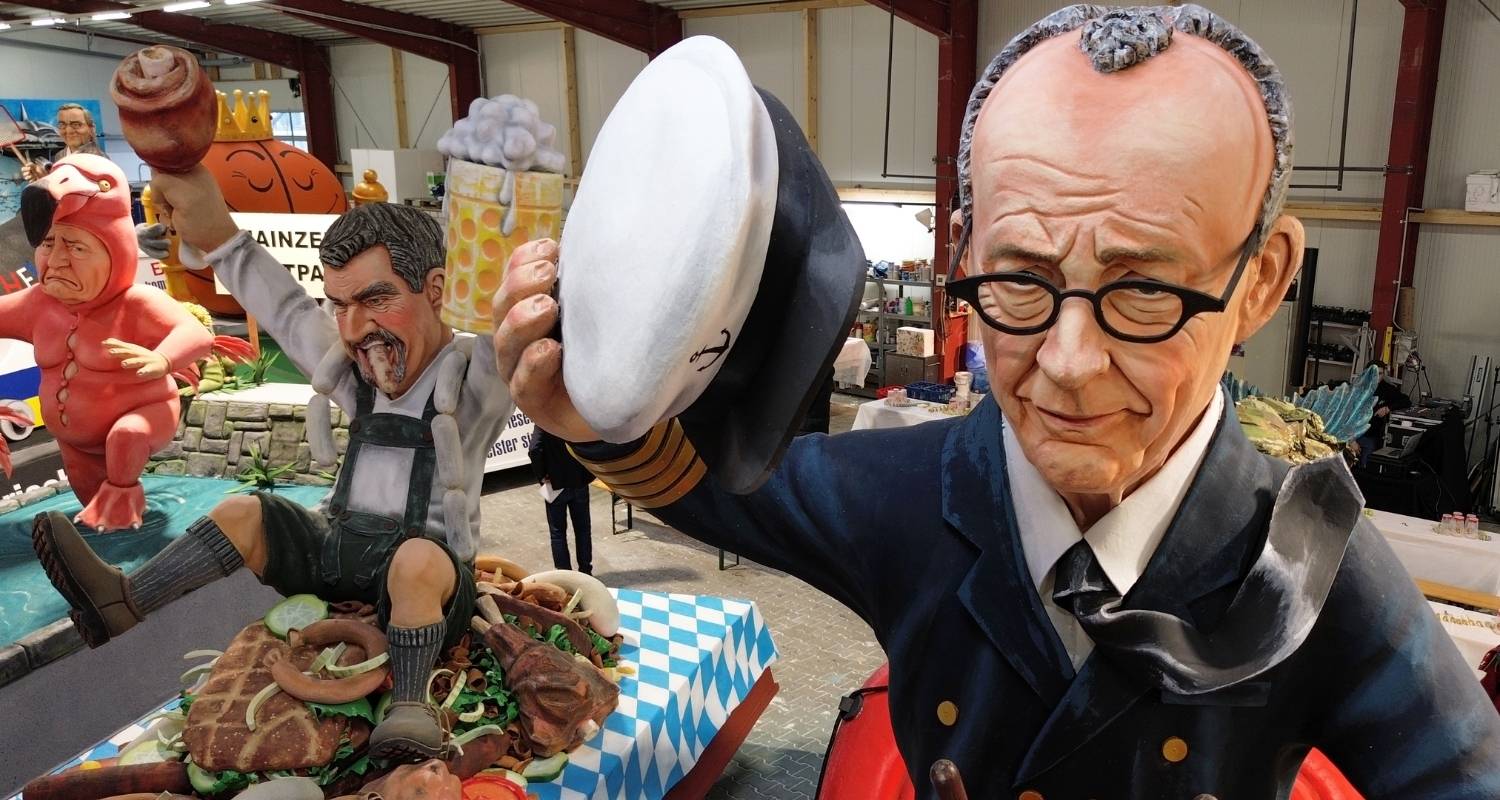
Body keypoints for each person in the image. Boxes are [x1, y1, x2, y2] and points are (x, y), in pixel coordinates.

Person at [493, 5, 1500, 798]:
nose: (1069, 362)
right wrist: (593, 406)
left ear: (1263, 280)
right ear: (965, 249)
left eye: (1145, 291)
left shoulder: (1311, 563)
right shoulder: (914, 492)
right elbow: (719, 487)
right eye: (1019, 279)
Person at [31, 165, 514, 761]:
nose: (355, 328)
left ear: (435, 290)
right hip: (338, 555)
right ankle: (123, 601)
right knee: (245, 511)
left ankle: (410, 709)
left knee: (416, 561)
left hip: (428, 584)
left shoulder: (473, 386)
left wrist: (511, 229)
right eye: (340, 305)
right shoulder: (353, 371)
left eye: (376, 300)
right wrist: (217, 234)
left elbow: (512, 331)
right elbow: (285, 308)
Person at [0, 154, 212, 530]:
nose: (58, 260)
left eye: (77, 248)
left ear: (114, 252)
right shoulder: (37, 304)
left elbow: (196, 334)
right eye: (49, 244)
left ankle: (128, 500)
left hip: (145, 414)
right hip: (74, 442)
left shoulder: (135, 303)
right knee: (95, 510)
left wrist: (163, 359)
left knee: (126, 436)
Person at [528, 427, 594, 574]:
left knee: (557, 533)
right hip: (579, 480)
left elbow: (534, 449)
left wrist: (542, 476)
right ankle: (586, 571)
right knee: (583, 530)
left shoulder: (543, 422)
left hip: (554, 483)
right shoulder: (571, 417)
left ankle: (564, 574)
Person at [22, 103, 106, 181]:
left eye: (76, 124)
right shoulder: (60, 156)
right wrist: (42, 177)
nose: (68, 131)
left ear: (91, 129)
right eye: (62, 125)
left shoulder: (99, 160)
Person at [1354, 360, 1413, 467]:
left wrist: (1388, 408)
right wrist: (1351, 440)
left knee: (1369, 462)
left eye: (1380, 373)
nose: (1377, 377)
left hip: (1372, 435)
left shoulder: (1387, 389)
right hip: (1353, 433)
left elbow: (1406, 401)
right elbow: (1345, 417)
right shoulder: (1357, 388)